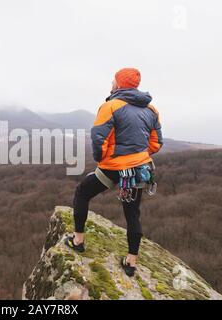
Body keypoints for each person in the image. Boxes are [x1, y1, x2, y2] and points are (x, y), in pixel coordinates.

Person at [65, 68, 163, 277]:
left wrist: (103, 160)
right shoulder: (151, 110)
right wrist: (139, 157)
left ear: (119, 84)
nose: (111, 83)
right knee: (132, 214)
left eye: (113, 80)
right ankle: (131, 262)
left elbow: (99, 139)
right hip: (138, 170)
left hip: (113, 168)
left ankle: (78, 241)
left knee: (82, 192)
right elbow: (156, 143)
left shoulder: (110, 106)